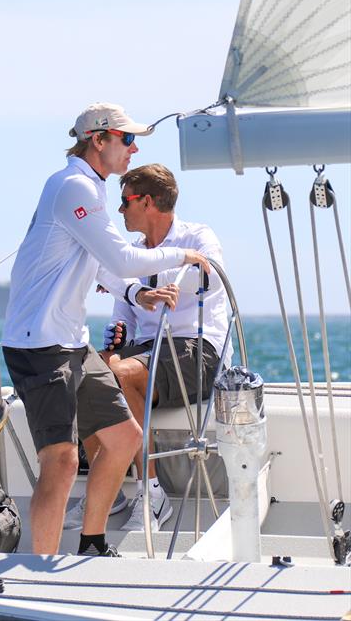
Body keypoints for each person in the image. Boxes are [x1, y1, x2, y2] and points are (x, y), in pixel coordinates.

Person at [1, 103, 210, 557]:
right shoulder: (73, 186)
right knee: (61, 460)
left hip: (70, 343)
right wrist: (183, 256)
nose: (134, 148)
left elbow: (102, 267)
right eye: (127, 139)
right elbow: (120, 259)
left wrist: (138, 296)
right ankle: (43, 568)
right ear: (99, 140)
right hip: (40, 347)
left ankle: (92, 544)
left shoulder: (87, 190)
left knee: (124, 438)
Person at [66, 163, 231, 533]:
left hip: (196, 349)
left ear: (149, 202)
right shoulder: (133, 254)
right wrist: (116, 335)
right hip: (146, 348)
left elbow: (211, 276)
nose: (120, 211)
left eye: (125, 202)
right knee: (83, 376)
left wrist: (162, 279)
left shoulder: (197, 236)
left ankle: (153, 494)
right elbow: (123, 310)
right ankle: (106, 493)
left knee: (122, 373)